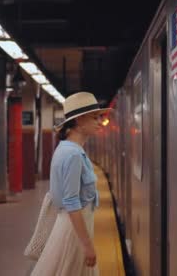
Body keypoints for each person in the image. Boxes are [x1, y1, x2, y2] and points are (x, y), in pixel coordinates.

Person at [31, 92, 110, 276]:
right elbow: (72, 202)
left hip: (73, 227)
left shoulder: (68, 149)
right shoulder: (73, 154)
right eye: (95, 117)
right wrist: (87, 245)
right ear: (80, 120)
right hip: (73, 232)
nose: (100, 122)